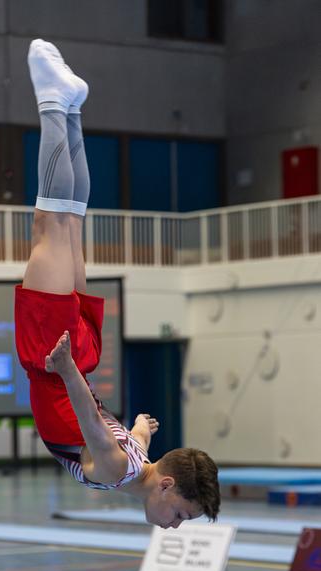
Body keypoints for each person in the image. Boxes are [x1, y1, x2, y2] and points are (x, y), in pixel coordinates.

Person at [15, 39, 220, 529]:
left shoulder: (137, 460)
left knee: (72, 222)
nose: (175, 524)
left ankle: (73, 110)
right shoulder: (115, 470)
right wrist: (64, 370)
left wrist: (141, 428)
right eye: (181, 514)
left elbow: (132, 444)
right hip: (58, 362)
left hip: (79, 355)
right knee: (51, 224)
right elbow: (89, 424)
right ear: (167, 486)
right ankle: (51, 101)